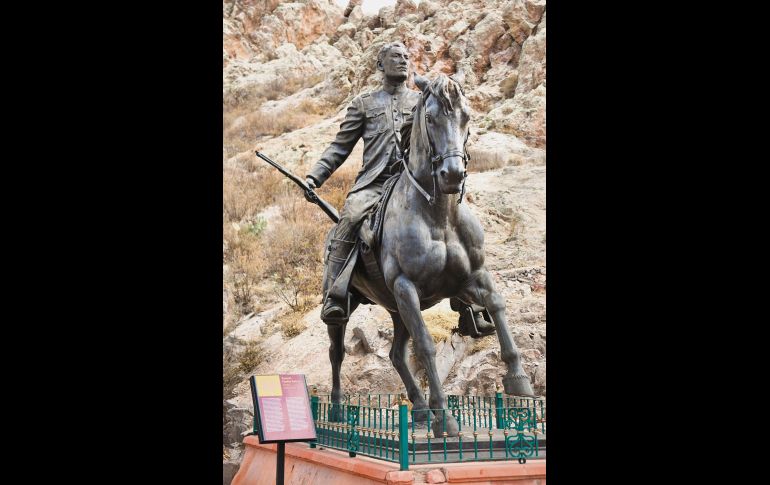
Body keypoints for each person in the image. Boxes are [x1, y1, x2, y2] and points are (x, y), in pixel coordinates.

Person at [305, 41, 419, 321]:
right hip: (375, 185)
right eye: (395, 57)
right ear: (380, 65)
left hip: (414, 182)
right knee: (350, 217)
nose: (403, 61)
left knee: (455, 215)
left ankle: (471, 303)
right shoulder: (363, 104)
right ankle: (335, 295)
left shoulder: (420, 101)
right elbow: (339, 147)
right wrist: (314, 176)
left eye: (406, 57)